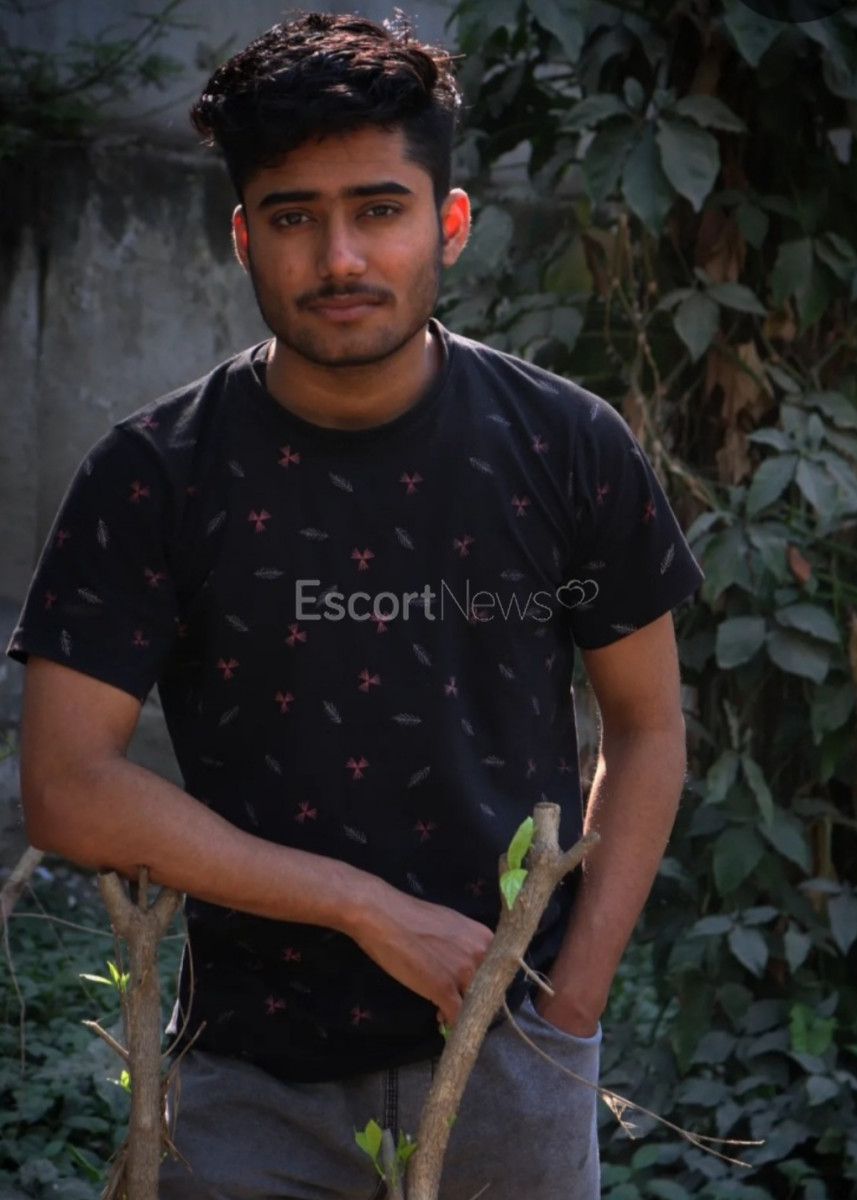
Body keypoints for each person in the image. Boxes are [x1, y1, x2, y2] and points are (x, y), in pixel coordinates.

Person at [8, 12, 703, 1199]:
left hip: (513, 1065)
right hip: (246, 1090)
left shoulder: (567, 445)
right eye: (294, 218)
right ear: (243, 236)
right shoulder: (153, 474)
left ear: (451, 222)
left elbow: (646, 729)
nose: (340, 257)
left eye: (379, 209)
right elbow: (67, 787)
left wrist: (570, 1008)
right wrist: (364, 908)